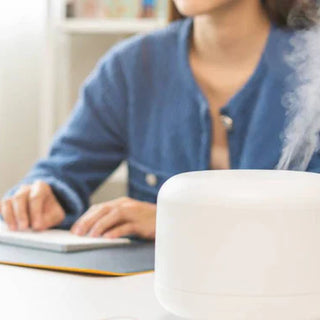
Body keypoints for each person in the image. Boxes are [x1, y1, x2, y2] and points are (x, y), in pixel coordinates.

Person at [0, 0, 318, 240]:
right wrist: (42, 197)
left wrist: (182, 221)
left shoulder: (312, 73)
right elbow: (60, 172)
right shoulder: (130, 68)